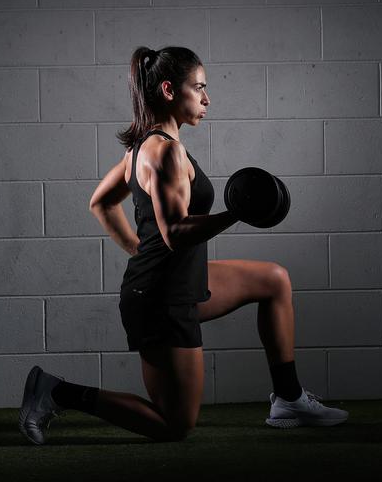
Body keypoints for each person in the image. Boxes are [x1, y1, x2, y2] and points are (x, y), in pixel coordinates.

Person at [19, 46, 348, 444]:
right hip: (161, 300)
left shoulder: (142, 146)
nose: (207, 99)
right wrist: (235, 213)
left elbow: (100, 202)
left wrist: (139, 250)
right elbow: (175, 234)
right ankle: (55, 391)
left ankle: (289, 398)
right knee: (174, 425)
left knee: (274, 280)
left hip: (176, 280)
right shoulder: (165, 152)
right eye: (199, 88)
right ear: (170, 90)